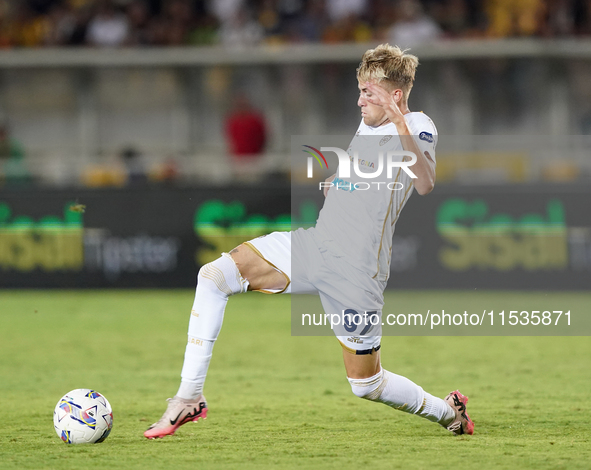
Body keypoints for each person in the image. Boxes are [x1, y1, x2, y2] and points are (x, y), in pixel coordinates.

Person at [144, 44, 474, 439]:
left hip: (356, 272)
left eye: (368, 92)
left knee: (366, 384)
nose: (359, 100)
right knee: (214, 276)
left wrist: (399, 121)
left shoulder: (418, 123)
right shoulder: (367, 125)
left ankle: (449, 413)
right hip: (315, 245)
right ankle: (188, 396)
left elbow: (424, 182)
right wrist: (341, 182)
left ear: (395, 95)